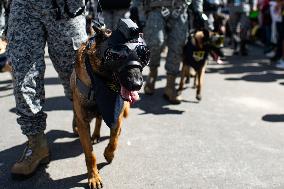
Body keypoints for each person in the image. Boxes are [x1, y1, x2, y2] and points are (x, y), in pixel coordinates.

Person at [6, 0, 88, 176]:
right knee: (23, 74)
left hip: (66, 7)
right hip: (24, 6)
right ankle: (36, 143)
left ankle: (78, 109)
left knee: (74, 70)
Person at [130, 0, 204, 104]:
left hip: (180, 9)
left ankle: (170, 85)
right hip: (156, 9)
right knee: (155, 42)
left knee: (177, 46)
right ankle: (152, 73)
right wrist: (135, 6)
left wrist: (198, 10)